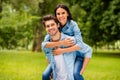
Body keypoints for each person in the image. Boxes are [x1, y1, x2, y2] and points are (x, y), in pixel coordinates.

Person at [42, 4, 92, 80]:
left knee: (76, 74)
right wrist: (61, 43)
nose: (60, 16)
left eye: (63, 13)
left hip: (78, 53)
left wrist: (62, 50)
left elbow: (81, 46)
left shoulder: (73, 25)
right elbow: (45, 45)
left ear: (67, 13)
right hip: (66, 52)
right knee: (45, 75)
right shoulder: (53, 28)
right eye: (58, 14)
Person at [42, 14, 77, 80]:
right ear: (46, 29)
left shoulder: (70, 40)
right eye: (47, 26)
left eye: (52, 25)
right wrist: (51, 70)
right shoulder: (47, 44)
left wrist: (78, 72)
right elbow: (48, 57)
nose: (50, 28)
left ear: (58, 25)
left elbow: (85, 52)